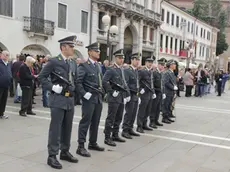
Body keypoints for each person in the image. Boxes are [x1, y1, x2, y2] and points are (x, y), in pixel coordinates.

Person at [38, 35, 78, 169]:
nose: (73, 49)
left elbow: (74, 79)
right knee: (55, 128)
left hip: (69, 99)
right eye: (71, 46)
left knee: (68, 127)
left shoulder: (72, 62)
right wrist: (52, 87)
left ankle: (65, 151)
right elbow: (42, 77)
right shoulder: (54, 61)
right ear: (63, 47)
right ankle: (52, 155)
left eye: (73, 46)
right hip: (58, 99)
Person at [76, 42, 105, 157]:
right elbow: (78, 82)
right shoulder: (84, 65)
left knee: (96, 122)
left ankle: (92, 142)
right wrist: (84, 94)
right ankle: (81, 146)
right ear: (89, 52)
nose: (98, 53)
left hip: (98, 98)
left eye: (99, 51)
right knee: (85, 122)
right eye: (96, 51)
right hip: (89, 98)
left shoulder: (98, 66)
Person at [102, 49, 130, 147]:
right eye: (119, 58)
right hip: (114, 97)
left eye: (122, 58)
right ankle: (107, 137)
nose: (121, 60)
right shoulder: (111, 69)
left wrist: (126, 95)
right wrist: (111, 91)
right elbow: (104, 81)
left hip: (121, 97)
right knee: (111, 118)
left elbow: (124, 83)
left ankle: (115, 134)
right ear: (115, 58)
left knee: (119, 117)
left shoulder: (121, 69)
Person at [122, 53, 141, 139]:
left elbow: (137, 84)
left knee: (133, 113)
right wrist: (127, 95)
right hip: (131, 95)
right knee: (129, 113)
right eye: (136, 60)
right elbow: (126, 83)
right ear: (132, 60)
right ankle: (125, 130)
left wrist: (139, 95)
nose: (137, 61)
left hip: (136, 95)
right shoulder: (127, 70)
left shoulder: (136, 70)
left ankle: (130, 128)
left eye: (138, 60)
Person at [136, 57, 156, 133]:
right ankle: (139, 126)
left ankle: (144, 124)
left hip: (150, 93)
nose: (150, 64)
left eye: (151, 62)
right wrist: (140, 89)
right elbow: (138, 81)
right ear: (146, 63)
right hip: (144, 93)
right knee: (142, 110)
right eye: (149, 62)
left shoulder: (151, 71)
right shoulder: (141, 71)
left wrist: (153, 92)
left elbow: (151, 83)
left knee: (148, 110)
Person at [149, 58, 167, 128]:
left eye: (163, 65)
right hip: (156, 92)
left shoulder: (161, 73)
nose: (162, 66)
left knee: (158, 108)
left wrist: (163, 93)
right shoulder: (154, 73)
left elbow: (162, 84)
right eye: (161, 65)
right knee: (154, 108)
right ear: (158, 65)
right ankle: (152, 121)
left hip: (160, 93)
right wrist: (153, 92)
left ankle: (156, 120)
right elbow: (152, 84)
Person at [162, 59, 177, 124]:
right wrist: (172, 87)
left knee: (169, 105)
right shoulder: (167, 72)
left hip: (171, 92)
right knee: (166, 105)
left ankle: (167, 116)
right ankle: (164, 118)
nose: (175, 65)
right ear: (170, 65)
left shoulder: (171, 72)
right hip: (167, 91)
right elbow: (166, 82)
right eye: (174, 64)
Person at [0, 51, 12, 119]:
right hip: (0, 85)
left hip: (6, 85)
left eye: (7, 55)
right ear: (1, 55)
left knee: (4, 100)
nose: (6, 56)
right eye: (5, 55)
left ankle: (1, 113)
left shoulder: (8, 64)